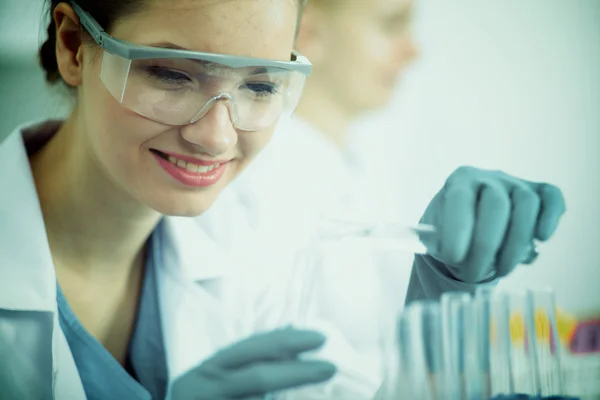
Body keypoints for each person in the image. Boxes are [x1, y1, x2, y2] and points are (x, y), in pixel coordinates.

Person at [0, 1, 565, 400]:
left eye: (262, 86)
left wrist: (442, 296)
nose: (217, 137)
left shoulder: (256, 248)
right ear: (74, 46)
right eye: (171, 74)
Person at [195, 0, 568, 379]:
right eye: (391, 25)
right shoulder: (249, 187)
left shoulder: (363, 169)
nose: (414, 50)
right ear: (308, 32)